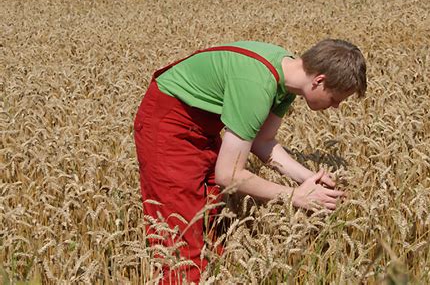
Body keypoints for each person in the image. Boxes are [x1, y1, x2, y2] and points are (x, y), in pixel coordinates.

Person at [133, 39, 367, 284]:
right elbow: (229, 175)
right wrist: (294, 196)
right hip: (167, 124)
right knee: (180, 240)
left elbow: (262, 142)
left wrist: (308, 178)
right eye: (335, 99)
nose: (337, 107)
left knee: (211, 221)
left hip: (202, 126)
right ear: (318, 81)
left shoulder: (287, 77)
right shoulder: (256, 85)